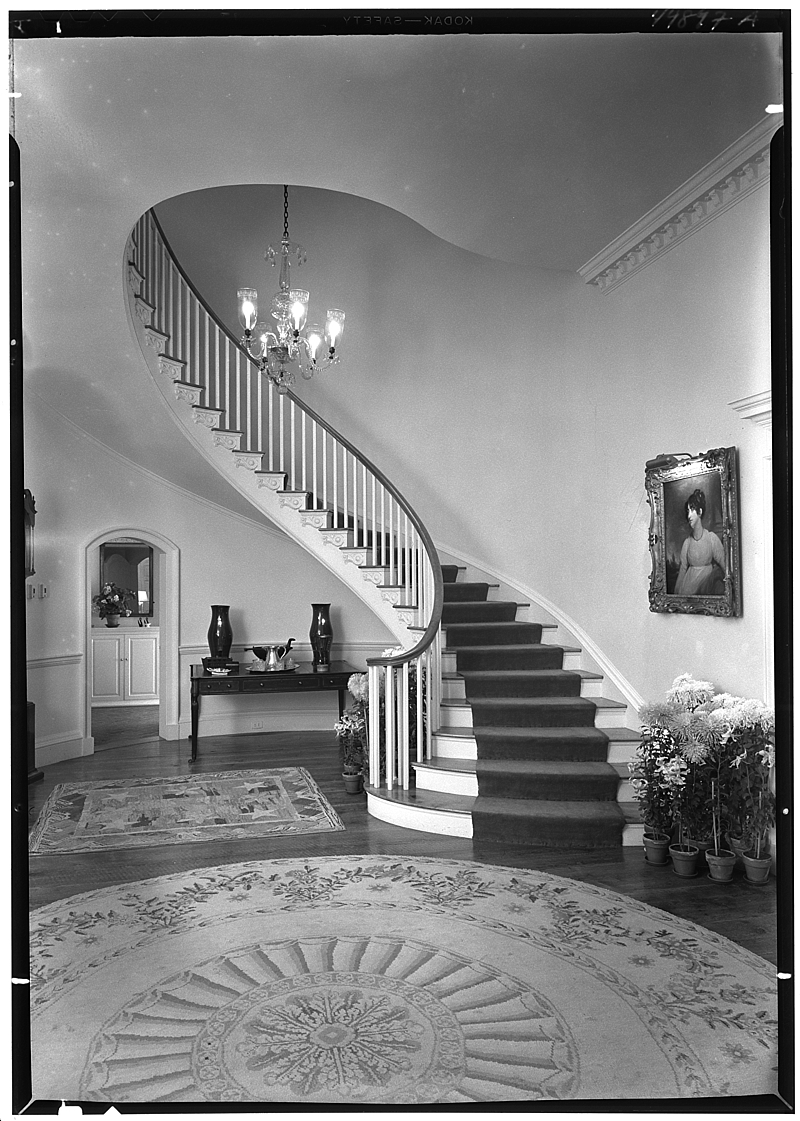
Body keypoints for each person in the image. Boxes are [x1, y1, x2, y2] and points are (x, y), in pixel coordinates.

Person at [674, 489, 726, 595]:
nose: (689, 516)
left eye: (692, 510)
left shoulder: (711, 538)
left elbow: (724, 564)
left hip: (707, 589)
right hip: (688, 589)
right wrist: (675, 596)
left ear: (700, 512)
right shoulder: (687, 543)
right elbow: (682, 570)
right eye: (688, 511)